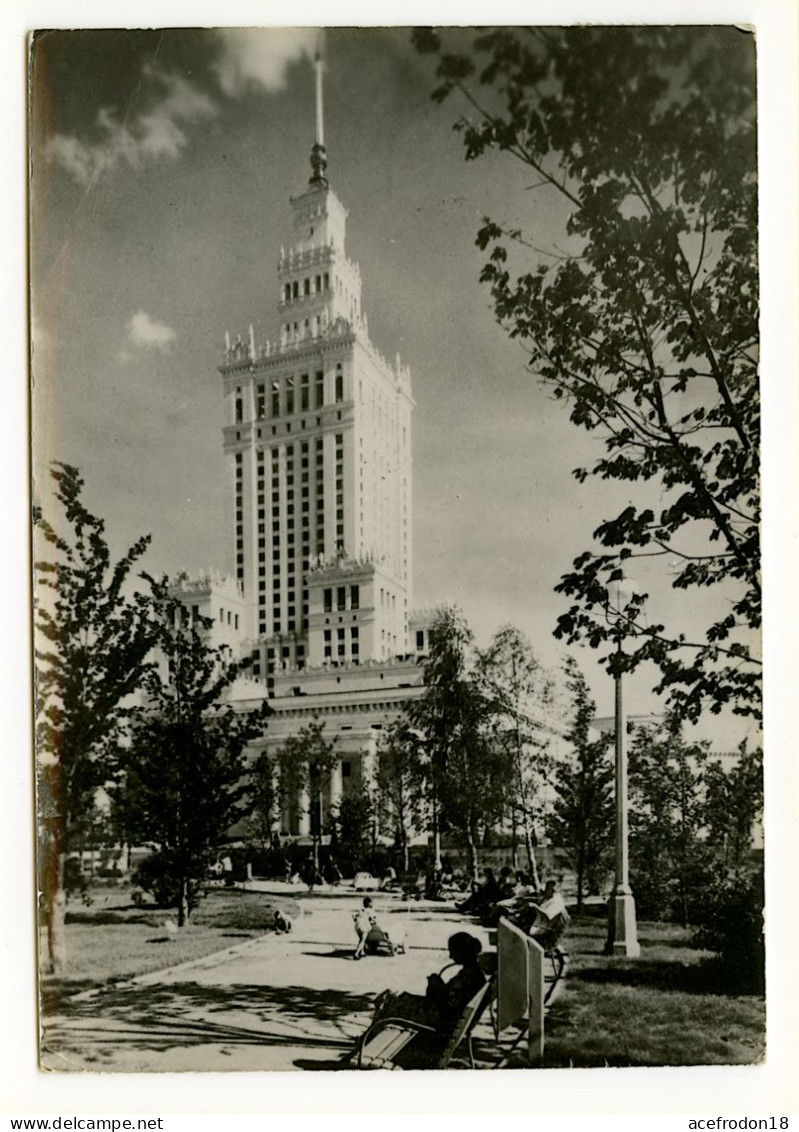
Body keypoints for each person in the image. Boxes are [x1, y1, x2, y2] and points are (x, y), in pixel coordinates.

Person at [363, 932, 487, 1068]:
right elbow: (451, 1000)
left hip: (438, 1023)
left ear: (463, 952)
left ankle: (366, 1044)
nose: (451, 956)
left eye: (453, 952)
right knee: (395, 997)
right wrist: (438, 986)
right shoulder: (474, 974)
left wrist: (437, 986)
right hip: (443, 1019)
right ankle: (368, 1040)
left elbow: (446, 1005)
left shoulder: (468, 978)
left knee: (389, 1000)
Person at [527, 879, 571, 949]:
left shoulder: (557, 901)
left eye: (547, 889)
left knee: (521, 927)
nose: (545, 891)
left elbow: (548, 915)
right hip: (541, 923)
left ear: (553, 891)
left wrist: (535, 907)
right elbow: (539, 899)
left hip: (545, 927)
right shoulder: (550, 898)